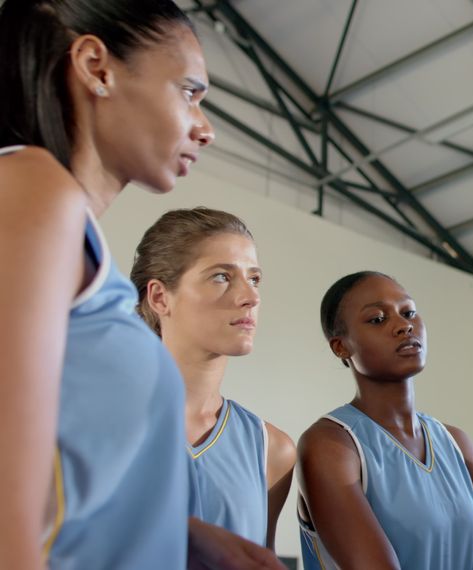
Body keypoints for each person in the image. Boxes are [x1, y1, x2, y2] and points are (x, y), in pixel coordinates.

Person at [0, 1, 280, 567]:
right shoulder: (33, 188)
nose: (207, 128)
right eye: (189, 92)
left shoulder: (73, 238)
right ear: (97, 66)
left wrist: (184, 536)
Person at [296, 271, 473, 569]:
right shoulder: (330, 445)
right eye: (377, 319)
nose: (404, 326)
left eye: (409, 312)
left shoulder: (455, 442)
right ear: (341, 347)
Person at [131, 207, 297, 549]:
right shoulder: (89, 419)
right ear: (160, 297)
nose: (250, 297)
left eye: (254, 278)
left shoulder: (273, 450)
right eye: (222, 276)